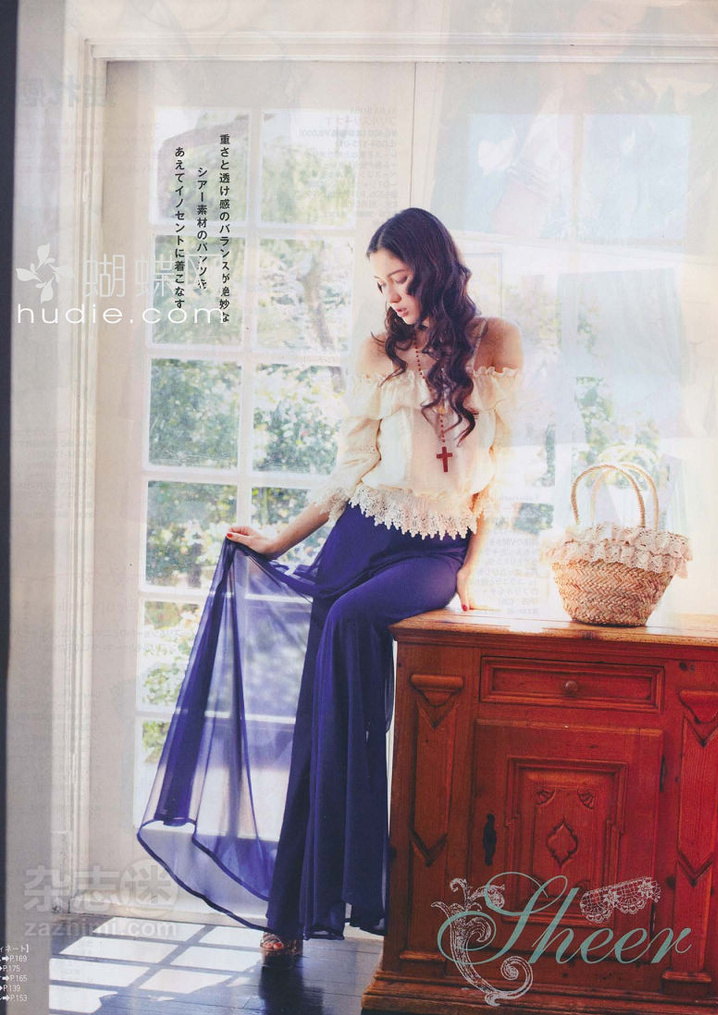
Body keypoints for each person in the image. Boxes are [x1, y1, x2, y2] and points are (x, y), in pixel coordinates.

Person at [136, 207, 522, 969]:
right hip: (361, 534)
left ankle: (362, 885)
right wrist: (281, 540)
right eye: (381, 284)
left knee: (350, 624)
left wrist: (471, 572)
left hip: (435, 547)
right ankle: (293, 912)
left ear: (434, 268)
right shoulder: (379, 351)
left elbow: (500, 472)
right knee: (323, 720)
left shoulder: (496, 342)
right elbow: (351, 468)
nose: (393, 297)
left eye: (401, 279)